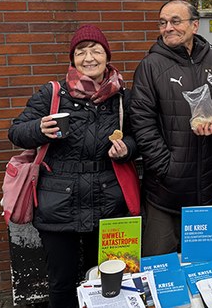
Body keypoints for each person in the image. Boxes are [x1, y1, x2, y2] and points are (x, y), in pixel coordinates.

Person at [8, 24, 137, 308]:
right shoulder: (52, 93)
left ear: (107, 56)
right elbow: (16, 131)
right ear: (73, 59)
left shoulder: (121, 98)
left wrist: (127, 148)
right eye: (81, 52)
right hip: (58, 204)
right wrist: (39, 129)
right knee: (61, 283)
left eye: (96, 51)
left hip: (107, 202)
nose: (89, 58)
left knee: (106, 280)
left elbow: (137, 138)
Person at [129, 0, 212, 255]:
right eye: (163, 23)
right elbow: (141, 121)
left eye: (175, 21)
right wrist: (166, 167)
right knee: (161, 270)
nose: (168, 28)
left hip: (208, 190)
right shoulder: (150, 66)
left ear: (195, 25)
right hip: (165, 192)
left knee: (202, 268)